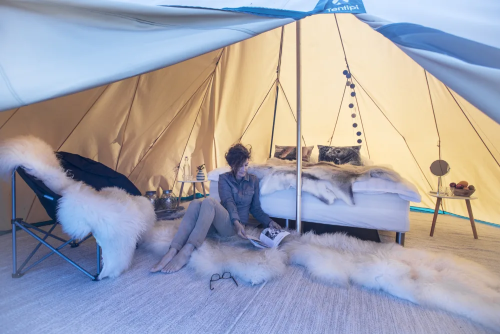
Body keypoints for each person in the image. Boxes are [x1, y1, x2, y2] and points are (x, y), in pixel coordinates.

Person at [151, 143, 281, 273]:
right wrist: (235, 221)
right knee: (196, 203)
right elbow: (228, 202)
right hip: (225, 221)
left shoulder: (253, 181)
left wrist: (269, 222)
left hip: (233, 228)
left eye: (246, 165)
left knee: (209, 202)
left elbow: (255, 208)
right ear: (232, 165)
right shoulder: (224, 179)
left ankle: (188, 249)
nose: (243, 169)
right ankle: (173, 249)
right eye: (239, 165)